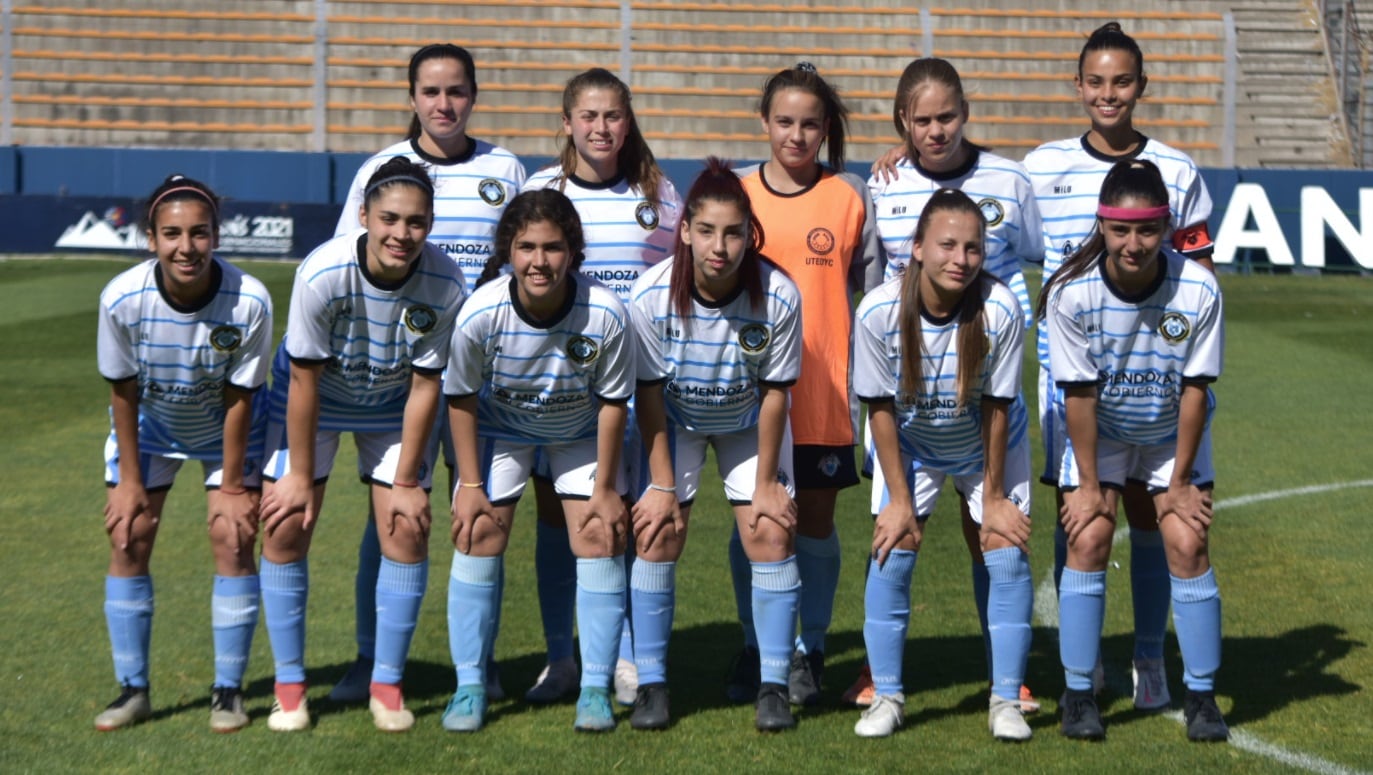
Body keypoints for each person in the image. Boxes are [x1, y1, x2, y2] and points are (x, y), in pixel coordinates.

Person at [1022, 22, 1215, 712]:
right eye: (1095, 81)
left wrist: (1169, 349)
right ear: (1078, 87)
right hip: (1067, 383)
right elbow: (980, 223)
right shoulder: (1038, 167)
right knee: (1080, 517)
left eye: (1121, 81)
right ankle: (1086, 666)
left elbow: (1197, 275)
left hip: (1156, 381)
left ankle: (1147, 655)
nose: (1108, 94)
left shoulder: (1177, 169)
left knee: (1150, 517)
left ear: (1140, 85)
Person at [328, 43, 526, 706]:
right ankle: (370, 659)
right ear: (411, 96)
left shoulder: (504, 168)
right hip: (397, 379)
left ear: (474, 96)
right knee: (389, 518)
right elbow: (343, 267)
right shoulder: (380, 172)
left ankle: (481, 660)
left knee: (482, 521)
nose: (444, 104)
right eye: (431, 92)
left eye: (457, 92)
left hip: (487, 381)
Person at [852, 57, 1043, 713]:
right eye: (922, 119)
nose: (935, 130)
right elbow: (876, 276)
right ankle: (880, 677)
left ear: (965, 112)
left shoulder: (1009, 178)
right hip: (911, 390)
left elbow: (1035, 256)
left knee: (992, 536)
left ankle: (1005, 675)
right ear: (902, 121)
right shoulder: (883, 182)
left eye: (947, 116)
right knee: (894, 532)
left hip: (988, 369)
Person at [258, 157, 466, 733]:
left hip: (393, 408)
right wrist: (298, 475)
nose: (402, 234)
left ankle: (387, 684)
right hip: (316, 400)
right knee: (285, 522)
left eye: (417, 222)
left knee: (405, 527)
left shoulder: (447, 283)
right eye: (390, 219)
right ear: (364, 216)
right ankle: (291, 686)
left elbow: (428, 385)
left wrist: (405, 482)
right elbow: (302, 378)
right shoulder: (321, 272)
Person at [1039, 159, 1226, 742]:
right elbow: (1079, 395)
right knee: (1090, 534)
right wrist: (1090, 486)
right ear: (1102, 224)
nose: (1134, 243)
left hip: (1172, 431)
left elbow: (1196, 390)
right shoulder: (1072, 291)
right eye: (1120, 230)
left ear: (1167, 224)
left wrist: (1178, 486)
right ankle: (1078, 692)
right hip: (1103, 433)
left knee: (1187, 540)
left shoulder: (1198, 288)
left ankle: (1198, 693)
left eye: (1147, 229)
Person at [441, 188, 634, 733]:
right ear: (508, 250)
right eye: (526, 247)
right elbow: (459, 399)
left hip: (576, 430)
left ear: (572, 250)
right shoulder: (481, 313)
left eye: (552, 247)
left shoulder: (605, 314)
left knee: (597, 533)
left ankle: (594, 688)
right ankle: (470, 685)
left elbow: (615, 403)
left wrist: (605, 489)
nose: (539, 261)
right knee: (477, 530)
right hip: (502, 430)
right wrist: (470, 485)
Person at [521, 67, 682, 706]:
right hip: (553, 390)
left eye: (613, 115)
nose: (601, 128)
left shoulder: (660, 194)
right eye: (587, 117)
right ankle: (562, 656)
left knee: (629, 521)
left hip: (635, 388)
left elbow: (678, 285)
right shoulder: (539, 191)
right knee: (558, 522)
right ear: (567, 123)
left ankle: (626, 659)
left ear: (628, 120)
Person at [627, 158, 803, 731]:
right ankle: (652, 684)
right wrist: (658, 486)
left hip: (748, 421)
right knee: (657, 532)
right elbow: (649, 395)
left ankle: (773, 683)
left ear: (749, 234)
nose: (719, 246)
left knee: (770, 531)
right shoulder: (651, 294)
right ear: (684, 231)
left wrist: (766, 483)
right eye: (706, 231)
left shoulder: (777, 293)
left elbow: (776, 395)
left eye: (732, 233)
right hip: (674, 421)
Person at [94, 174, 273, 733]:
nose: (186, 247)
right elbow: (122, 391)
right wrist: (127, 480)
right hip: (150, 429)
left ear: (217, 236)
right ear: (151, 239)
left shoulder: (250, 299)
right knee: (129, 535)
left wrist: (233, 487)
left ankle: (229, 692)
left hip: (227, 429)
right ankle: (133, 690)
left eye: (199, 233)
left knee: (233, 537)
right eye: (171, 234)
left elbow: (241, 396)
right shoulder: (122, 299)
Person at [729, 62, 882, 707]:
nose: (796, 135)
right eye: (784, 121)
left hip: (820, 395)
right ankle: (756, 645)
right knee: (756, 523)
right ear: (764, 122)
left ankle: (810, 649)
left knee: (813, 524)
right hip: (741, 393)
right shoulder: (733, 194)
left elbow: (871, 302)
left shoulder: (849, 197)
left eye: (810, 124)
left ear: (826, 129)